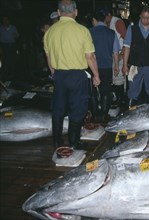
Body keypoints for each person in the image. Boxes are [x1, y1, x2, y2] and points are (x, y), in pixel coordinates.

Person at [44, 0, 100, 149]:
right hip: (77, 76)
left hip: (59, 75)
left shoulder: (50, 31)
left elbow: (48, 57)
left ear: (59, 11)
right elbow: (90, 57)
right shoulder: (82, 30)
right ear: (75, 12)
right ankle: (74, 142)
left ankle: (57, 141)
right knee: (78, 109)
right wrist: (96, 75)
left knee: (58, 109)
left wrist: (54, 73)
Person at [122, 6, 149, 107]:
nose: (146, 20)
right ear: (140, 16)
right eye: (144, 17)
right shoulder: (132, 27)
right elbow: (127, 47)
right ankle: (131, 111)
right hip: (136, 65)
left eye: (148, 18)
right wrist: (124, 65)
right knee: (133, 91)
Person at [90, 10, 120, 122]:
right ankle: (103, 115)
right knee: (105, 91)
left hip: (91, 67)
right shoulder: (111, 33)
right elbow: (115, 52)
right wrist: (116, 66)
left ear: (94, 20)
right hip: (106, 66)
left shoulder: (88, 32)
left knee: (92, 91)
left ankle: (94, 116)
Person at [0, 16, 19, 81]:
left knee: (13, 59)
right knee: (5, 61)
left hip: (12, 46)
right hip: (4, 46)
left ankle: (13, 75)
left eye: (6, 19)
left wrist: (15, 35)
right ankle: (5, 75)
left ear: (9, 20)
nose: (5, 21)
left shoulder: (13, 27)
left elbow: (17, 36)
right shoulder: (1, 28)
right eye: (3, 20)